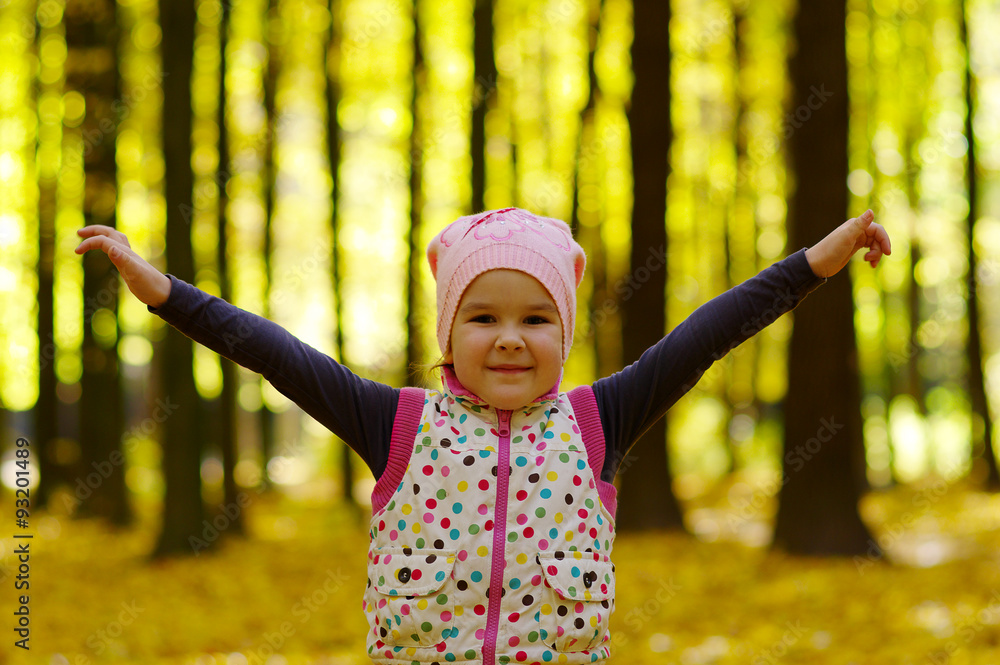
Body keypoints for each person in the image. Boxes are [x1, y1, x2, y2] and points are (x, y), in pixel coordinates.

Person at [76, 206, 890, 664]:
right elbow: (272, 353)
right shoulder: (395, 423)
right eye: (483, 317)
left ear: (563, 334)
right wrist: (163, 291)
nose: (509, 337)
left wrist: (817, 260)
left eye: (536, 318)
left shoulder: (596, 419)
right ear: (448, 331)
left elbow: (711, 331)